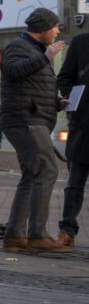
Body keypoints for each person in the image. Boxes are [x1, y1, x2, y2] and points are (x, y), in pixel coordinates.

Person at [1, 8, 70, 254]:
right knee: (48, 168)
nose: (58, 31)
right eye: (55, 27)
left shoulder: (36, 50)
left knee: (32, 174)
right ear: (42, 28)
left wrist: (56, 102)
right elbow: (12, 71)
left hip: (32, 117)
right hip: (25, 120)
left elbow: (29, 86)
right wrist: (46, 57)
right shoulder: (19, 46)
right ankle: (38, 235)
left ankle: (15, 236)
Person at [57, 29, 89, 247]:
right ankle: (67, 230)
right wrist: (74, 101)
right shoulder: (80, 43)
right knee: (74, 184)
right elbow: (65, 77)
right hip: (83, 126)